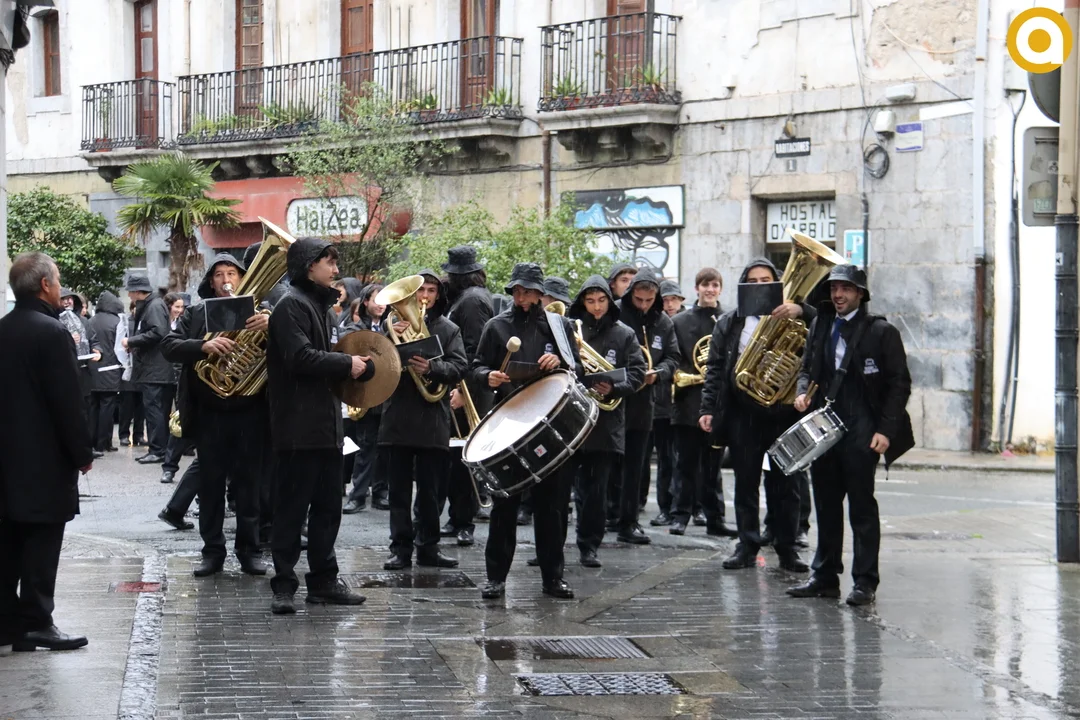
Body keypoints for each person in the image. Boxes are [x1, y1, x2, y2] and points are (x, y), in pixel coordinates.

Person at [787, 265, 913, 605]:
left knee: (861, 508)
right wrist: (802, 392)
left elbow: (899, 384)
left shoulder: (881, 331)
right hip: (824, 428)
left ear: (860, 293)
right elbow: (807, 368)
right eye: (834, 289)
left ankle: (865, 582)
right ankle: (824, 576)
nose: (838, 295)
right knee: (826, 506)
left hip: (863, 427)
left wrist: (885, 430)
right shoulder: (820, 324)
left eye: (845, 289)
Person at [266, 238, 371, 615]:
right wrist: (347, 364)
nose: (335, 269)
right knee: (291, 511)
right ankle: (283, 585)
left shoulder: (320, 308)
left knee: (328, 509)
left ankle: (324, 582)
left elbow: (326, 358)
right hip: (298, 429)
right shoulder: (290, 305)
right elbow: (300, 358)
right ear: (310, 266)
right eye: (329, 262)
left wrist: (362, 365)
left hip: (327, 427)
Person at [471, 262, 582, 600]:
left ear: (540, 294)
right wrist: (488, 376)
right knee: (504, 506)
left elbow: (576, 368)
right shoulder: (496, 326)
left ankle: (553, 578)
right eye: (517, 291)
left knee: (552, 508)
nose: (522, 298)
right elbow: (476, 366)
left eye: (529, 292)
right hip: (509, 422)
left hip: (549, 424)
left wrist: (560, 362)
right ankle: (496, 578)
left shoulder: (559, 326)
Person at [0, 252, 93, 651]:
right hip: (44, 459)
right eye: (56, 280)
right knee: (41, 543)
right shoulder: (52, 332)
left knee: (7, 542)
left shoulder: (2, 329)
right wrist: (82, 452)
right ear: (44, 285)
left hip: (6, 459)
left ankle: (6, 625)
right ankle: (37, 621)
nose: (59, 287)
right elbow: (67, 402)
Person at [699, 258, 811, 570]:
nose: (759, 286)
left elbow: (820, 332)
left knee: (786, 485)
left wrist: (802, 310)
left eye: (766, 281)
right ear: (743, 285)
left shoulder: (793, 315)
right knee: (746, 484)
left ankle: (787, 548)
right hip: (743, 414)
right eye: (753, 281)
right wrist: (708, 408)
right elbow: (715, 369)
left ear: (777, 284)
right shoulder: (730, 321)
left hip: (782, 414)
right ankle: (747, 546)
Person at [160, 254, 268, 577]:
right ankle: (212, 552)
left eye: (231, 273)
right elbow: (168, 345)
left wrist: (271, 326)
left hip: (249, 411)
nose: (226, 280)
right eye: (219, 275)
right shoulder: (196, 313)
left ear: (241, 278)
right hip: (209, 414)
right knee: (210, 487)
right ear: (211, 281)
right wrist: (202, 346)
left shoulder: (260, 313)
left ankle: (250, 551)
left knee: (249, 487)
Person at [380, 271, 468, 570]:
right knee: (399, 492)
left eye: (431, 290)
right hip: (398, 416)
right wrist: (390, 341)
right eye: (420, 291)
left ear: (438, 295)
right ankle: (400, 549)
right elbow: (377, 364)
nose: (425, 296)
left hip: (432, 418)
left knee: (431, 491)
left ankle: (429, 547)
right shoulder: (390, 326)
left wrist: (431, 368)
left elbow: (460, 367)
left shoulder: (448, 329)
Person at [567, 276, 646, 568]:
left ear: (609, 302)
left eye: (601, 300)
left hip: (605, 423)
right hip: (571, 419)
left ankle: (589, 546)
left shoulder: (624, 334)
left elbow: (637, 374)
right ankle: (550, 547)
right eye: (590, 301)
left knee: (596, 491)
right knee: (562, 490)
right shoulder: (571, 329)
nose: (597, 307)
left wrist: (613, 388)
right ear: (582, 303)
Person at [613, 267, 681, 544]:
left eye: (649, 300)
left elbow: (673, 357)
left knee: (635, 466)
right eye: (638, 299)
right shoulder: (615, 313)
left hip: (643, 401)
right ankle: (606, 515)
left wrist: (658, 373)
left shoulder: (663, 322)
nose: (643, 305)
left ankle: (628, 522)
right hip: (614, 398)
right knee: (606, 463)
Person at [670, 268, 738, 538]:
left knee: (713, 467)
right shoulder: (679, 321)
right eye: (705, 285)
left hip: (719, 403)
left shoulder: (729, 319)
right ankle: (680, 516)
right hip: (687, 401)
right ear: (696, 288)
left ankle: (715, 519)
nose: (710, 290)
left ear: (720, 288)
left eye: (714, 285)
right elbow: (673, 358)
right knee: (685, 464)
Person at [443, 246, 494, 542]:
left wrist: (464, 390)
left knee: (463, 459)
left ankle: (464, 522)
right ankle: (458, 518)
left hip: (469, 389)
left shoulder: (472, 301)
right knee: (457, 458)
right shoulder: (469, 297)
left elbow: (474, 350)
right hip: (467, 387)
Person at [342, 285, 387, 514]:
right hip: (366, 394)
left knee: (385, 448)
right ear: (365, 302)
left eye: (384, 300)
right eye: (376, 300)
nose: (381, 305)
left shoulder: (392, 326)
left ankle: (380, 493)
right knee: (366, 446)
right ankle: (357, 496)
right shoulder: (355, 328)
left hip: (386, 394)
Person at [122, 276, 173, 465]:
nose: (129, 295)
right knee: (155, 410)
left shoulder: (153, 306)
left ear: (137, 292)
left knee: (154, 411)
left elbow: (158, 332)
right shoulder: (154, 304)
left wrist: (131, 341)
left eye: (130, 292)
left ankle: (157, 450)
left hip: (155, 370)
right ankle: (158, 449)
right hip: (155, 369)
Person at [647, 279, 684, 525]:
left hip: (679, 403)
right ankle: (664, 507)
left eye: (674, 299)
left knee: (677, 460)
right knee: (663, 460)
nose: (670, 304)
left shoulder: (684, 323)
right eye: (666, 300)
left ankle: (681, 507)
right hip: (658, 402)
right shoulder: (656, 324)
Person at [88, 291, 126, 454]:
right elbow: (121, 349)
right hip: (111, 370)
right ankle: (104, 443)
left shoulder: (90, 321)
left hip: (92, 370)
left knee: (93, 408)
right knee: (107, 408)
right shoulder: (118, 322)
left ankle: (92, 441)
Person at [117, 296, 146, 448]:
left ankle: (139, 434)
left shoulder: (145, 322)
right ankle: (124, 434)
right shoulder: (125, 322)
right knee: (126, 406)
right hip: (128, 368)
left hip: (142, 369)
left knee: (141, 406)